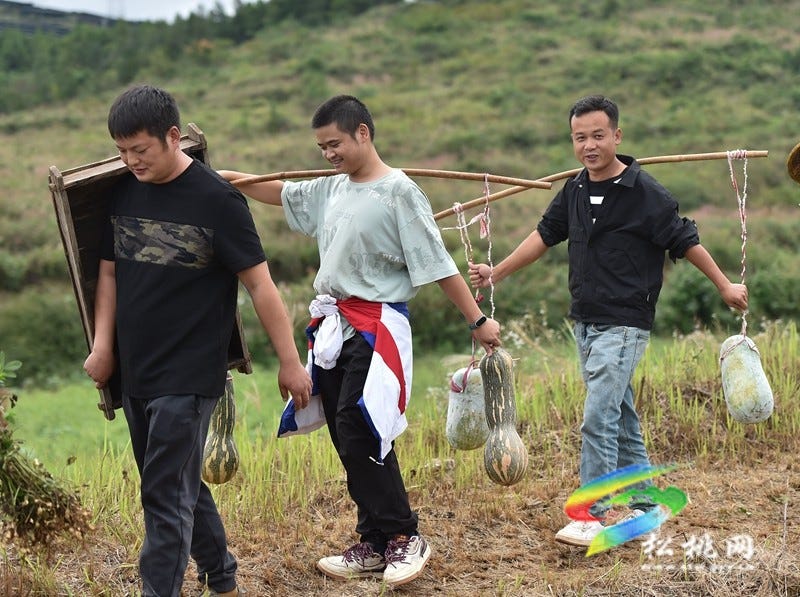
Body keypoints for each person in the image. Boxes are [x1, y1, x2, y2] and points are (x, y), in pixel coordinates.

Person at [218, 94, 501, 587]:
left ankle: (404, 535)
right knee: (343, 431)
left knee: (361, 424)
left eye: (336, 143)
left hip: (377, 325)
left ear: (363, 134)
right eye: (322, 146)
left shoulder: (399, 192)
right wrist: (222, 178)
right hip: (334, 324)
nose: (329, 153)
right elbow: (280, 191)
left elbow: (438, 265)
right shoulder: (331, 189)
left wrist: (477, 321)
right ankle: (373, 541)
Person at [469, 94, 748, 548]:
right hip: (586, 320)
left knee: (597, 415)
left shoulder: (646, 194)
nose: (589, 145)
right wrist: (495, 272)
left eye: (598, 135)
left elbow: (685, 241)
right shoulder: (575, 190)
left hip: (625, 323)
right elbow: (543, 237)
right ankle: (646, 504)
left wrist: (723, 285)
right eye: (580, 138)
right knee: (619, 415)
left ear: (617, 136)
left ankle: (590, 514)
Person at [83, 85, 312, 597]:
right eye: (122, 151)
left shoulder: (218, 201)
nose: (130, 161)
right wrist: (103, 347)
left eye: (139, 150)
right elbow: (108, 276)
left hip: (190, 373)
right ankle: (222, 577)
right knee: (177, 481)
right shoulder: (122, 193)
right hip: (137, 370)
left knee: (163, 493)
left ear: (173, 137)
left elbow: (260, 285)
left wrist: (290, 363)